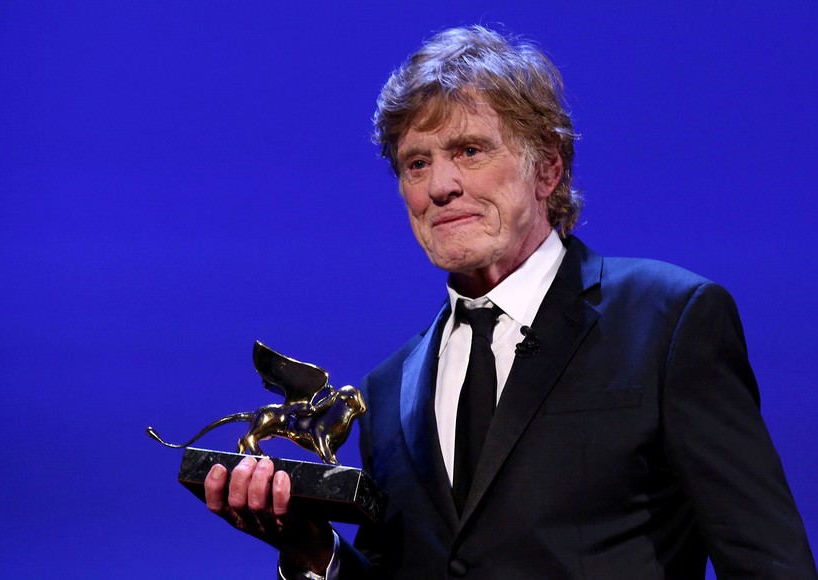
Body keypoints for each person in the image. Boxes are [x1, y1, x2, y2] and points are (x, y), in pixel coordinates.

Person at [203, 26, 817, 578]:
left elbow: (765, 560)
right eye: (417, 163)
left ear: (547, 167)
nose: (440, 186)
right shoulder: (389, 390)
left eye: (469, 150)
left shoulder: (668, 320)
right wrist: (314, 552)